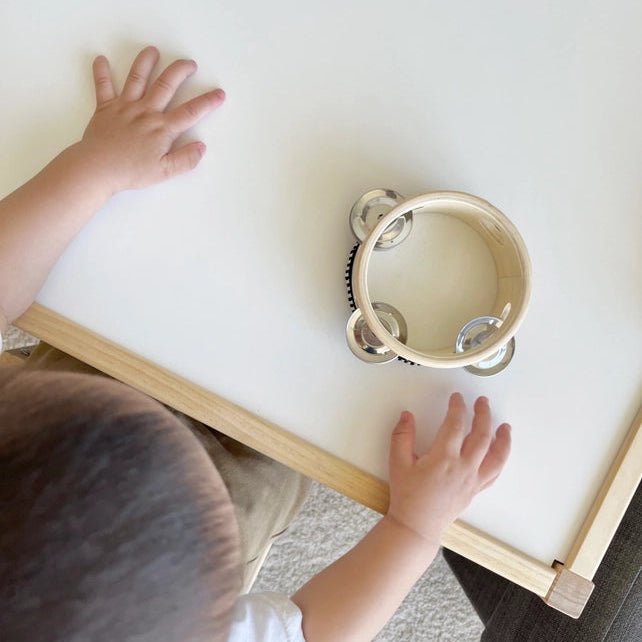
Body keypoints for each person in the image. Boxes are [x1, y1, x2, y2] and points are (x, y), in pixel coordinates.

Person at [0, 46, 512, 641]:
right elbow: (316, 631)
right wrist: (413, 530)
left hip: (87, 376)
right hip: (246, 469)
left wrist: (91, 167)